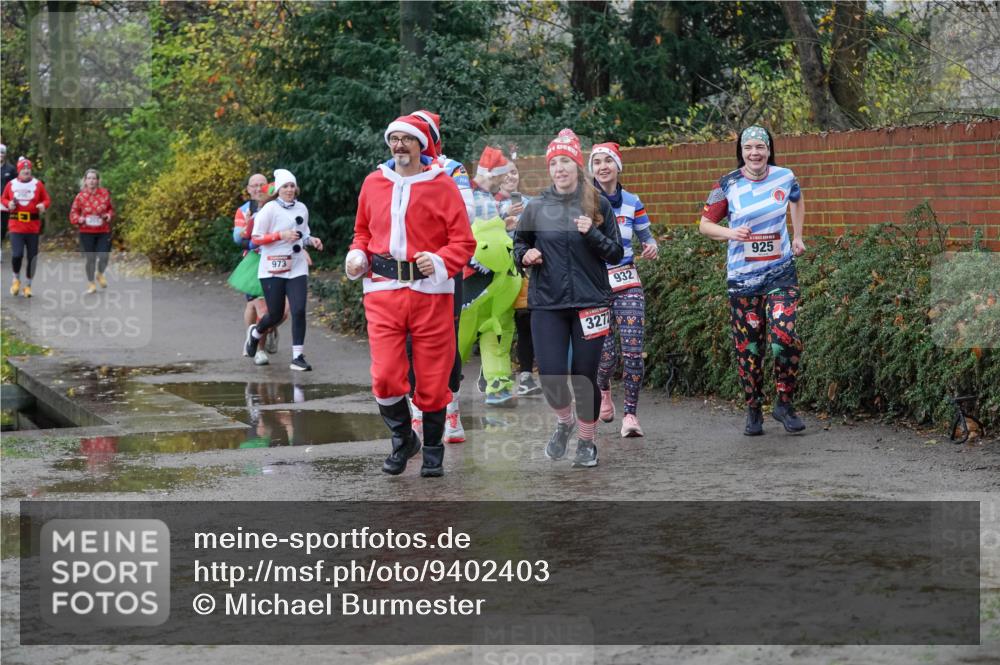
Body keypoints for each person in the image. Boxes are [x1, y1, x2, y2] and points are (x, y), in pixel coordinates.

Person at [346, 114, 475, 478]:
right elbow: (361, 232)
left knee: (433, 378)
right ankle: (404, 438)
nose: (399, 145)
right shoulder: (373, 182)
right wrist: (357, 256)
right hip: (382, 291)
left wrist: (439, 260)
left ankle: (433, 448)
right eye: (394, 139)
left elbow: (464, 243)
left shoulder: (442, 185)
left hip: (431, 293)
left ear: (422, 145)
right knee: (386, 376)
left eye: (407, 139)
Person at [513, 129, 623, 468]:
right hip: (548, 302)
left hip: (591, 302)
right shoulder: (536, 207)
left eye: (566, 161)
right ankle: (565, 421)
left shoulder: (598, 203)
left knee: (585, 375)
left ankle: (587, 443)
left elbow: (616, 253)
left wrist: (590, 232)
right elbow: (518, 245)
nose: (560, 168)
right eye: (554, 162)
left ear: (577, 165)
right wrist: (525, 255)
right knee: (549, 375)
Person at [698, 125, 807, 436]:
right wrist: (731, 232)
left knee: (784, 335)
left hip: (780, 270)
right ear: (741, 152)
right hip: (743, 278)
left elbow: (797, 200)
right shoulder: (726, 185)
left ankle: (784, 403)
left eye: (760, 147)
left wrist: (797, 236)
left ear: (769, 149)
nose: (755, 153)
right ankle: (753, 408)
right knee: (750, 348)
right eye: (749, 148)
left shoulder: (785, 177)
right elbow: (705, 225)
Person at [406, 109, 473, 443]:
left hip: (445, 267)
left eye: (417, 133)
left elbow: (466, 213)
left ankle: (451, 406)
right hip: (404, 271)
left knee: (446, 336)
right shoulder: (394, 170)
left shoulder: (452, 169)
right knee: (407, 341)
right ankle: (417, 411)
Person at [590, 142, 659, 437]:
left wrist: (651, 246)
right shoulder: (583, 202)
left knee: (632, 353)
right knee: (605, 358)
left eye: (608, 161)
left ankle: (631, 414)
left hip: (627, 281)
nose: (603, 166)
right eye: (597, 162)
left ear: (618, 166)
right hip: (594, 286)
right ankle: (603, 387)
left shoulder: (632, 201)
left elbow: (647, 236)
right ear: (591, 169)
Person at [244, 168, 324, 371]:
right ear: (278, 189)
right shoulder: (269, 209)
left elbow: (303, 233)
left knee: (298, 310)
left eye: (292, 186)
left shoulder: (302, 208)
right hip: (272, 267)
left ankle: (298, 357)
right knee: (276, 314)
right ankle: (255, 333)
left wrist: (312, 240)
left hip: (296, 265)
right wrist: (280, 235)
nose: (289, 189)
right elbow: (255, 239)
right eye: (285, 186)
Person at [496, 160, 541, 397]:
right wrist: (502, 220)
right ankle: (494, 377)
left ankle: (525, 376)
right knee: (498, 328)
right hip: (496, 276)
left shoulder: (530, 203)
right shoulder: (486, 204)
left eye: (513, 171)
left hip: (521, 273)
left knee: (525, 324)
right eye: (504, 172)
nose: (510, 176)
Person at [233, 173, 282, 365]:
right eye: (254, 185)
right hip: (252, 265)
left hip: (277, 263)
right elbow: (239, 239)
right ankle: (259, 349)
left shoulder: (277, 206)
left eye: (262, 184)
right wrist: (258, 238)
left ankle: (265, 328)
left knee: (279, 312)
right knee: (257, 307)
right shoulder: (244, 210)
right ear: (248, 189)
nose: (257, 188)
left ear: (268, 187)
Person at [1, 157, 51, 298]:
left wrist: (43, 205)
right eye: (23, 169)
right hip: (16, 226)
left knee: (32, 257)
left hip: (32, 227)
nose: (26, 170)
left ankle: (28, 285)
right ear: (18, 171)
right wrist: (8, 204)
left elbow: (46, 199)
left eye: (28, 168)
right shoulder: (11, 184)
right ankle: (16, 279)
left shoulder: (38, 184)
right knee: (17, 255)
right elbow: (3, 198)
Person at [69, 169, 115, 294]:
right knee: (91, 259)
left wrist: (108, 215)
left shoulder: (105, 194)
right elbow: (73, 214)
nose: (92, 181)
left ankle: (100, 274)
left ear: (98, 181)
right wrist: (79, 219)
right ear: (85, 181)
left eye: (94, 178)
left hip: (103, 230)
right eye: (89, 178)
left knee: (104, 256)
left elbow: (111, 209)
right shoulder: (80, 197)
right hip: (86, 232)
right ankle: (91, 284)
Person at [0, 145, 16, 242]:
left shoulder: (11, 169)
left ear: (5, 154)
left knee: (3, 227)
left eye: (2, 152)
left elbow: (16, 184)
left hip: (5, 202)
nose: (0, 155)